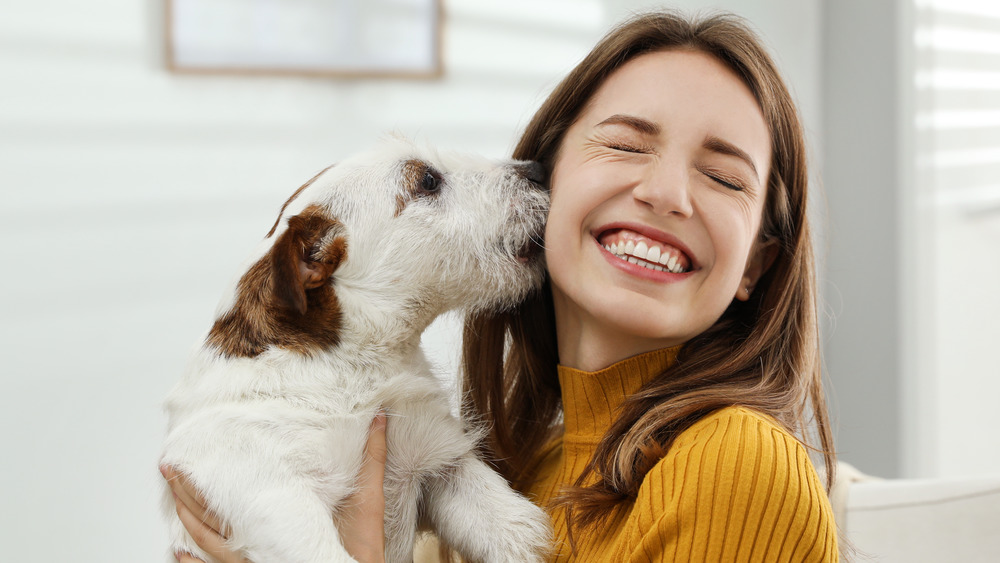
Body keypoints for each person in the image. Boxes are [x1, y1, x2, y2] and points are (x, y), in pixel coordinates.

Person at [163, 10, 840, 562]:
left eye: (724, 177)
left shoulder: (740, 466)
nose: (665, 194)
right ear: (547, 174)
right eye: (627, 145)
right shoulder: (527, 463)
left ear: (755, 263)